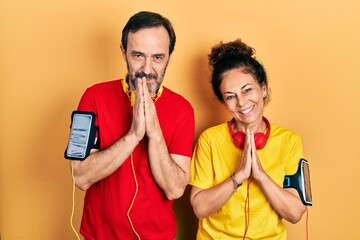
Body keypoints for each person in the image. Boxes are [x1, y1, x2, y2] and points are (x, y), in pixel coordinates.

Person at [69, 11, 195, 239]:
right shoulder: (92, 97)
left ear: (169, 56)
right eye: (138, 55)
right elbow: (81, 177)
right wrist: (134, 135)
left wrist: (154, 133)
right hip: (98, 235)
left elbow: (175, 189)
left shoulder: (183, 110)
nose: (147, 69)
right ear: (123, 52)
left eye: (158, 57)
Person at [189, 39, 307, 239]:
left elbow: (295, 213)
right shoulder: (209, 139)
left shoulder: (290, 141)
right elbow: (199, 208)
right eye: (230, 96)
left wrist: (260, 175)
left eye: (247, 90)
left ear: (263, 89)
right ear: (224, 103)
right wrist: (239, 176)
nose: (242, 102)